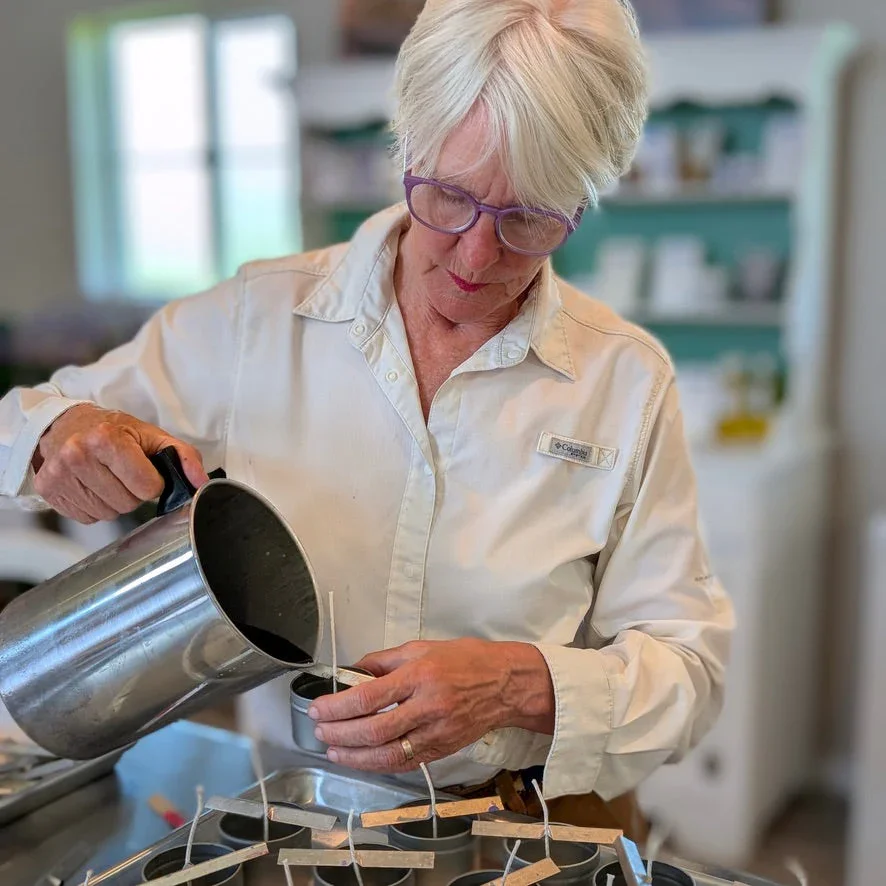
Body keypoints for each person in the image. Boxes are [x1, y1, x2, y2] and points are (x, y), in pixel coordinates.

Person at [0, 0, 732, 838]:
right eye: (448, 196)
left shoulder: (624, 379)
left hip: (528, 824)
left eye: (530, 220)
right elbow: (20, 421)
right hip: (295, 820)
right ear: (406, 145)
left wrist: (515, 684)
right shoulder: (260, 319)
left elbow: (692, 674)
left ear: (585, 203)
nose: (475, 257)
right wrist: (58, 437)